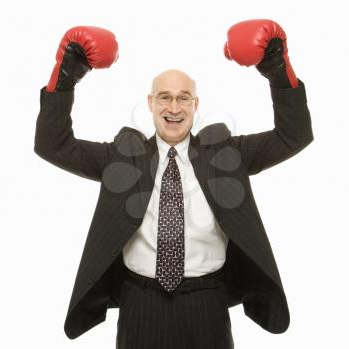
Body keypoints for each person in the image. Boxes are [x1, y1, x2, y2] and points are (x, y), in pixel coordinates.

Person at [34, 20, 314, 349]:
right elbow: (53, 145)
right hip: (140, 302)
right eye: (164, 98)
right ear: (151, 103)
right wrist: (67, 74)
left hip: (207, 302)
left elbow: (292, 136)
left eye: (184, 98)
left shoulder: (227, 153)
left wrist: (276, 68)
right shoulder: (122, 158)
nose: (174, 107)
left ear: (195, 105)